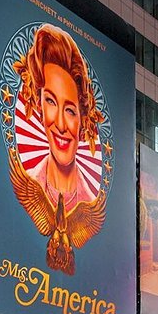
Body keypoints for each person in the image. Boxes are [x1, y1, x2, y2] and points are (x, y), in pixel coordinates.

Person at [16, 23, 101, 212]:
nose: (61, 125)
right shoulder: (26, 188)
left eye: (70, 110)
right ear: (39, 105)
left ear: (83, 118)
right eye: (51, 102)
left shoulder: (91, 203)